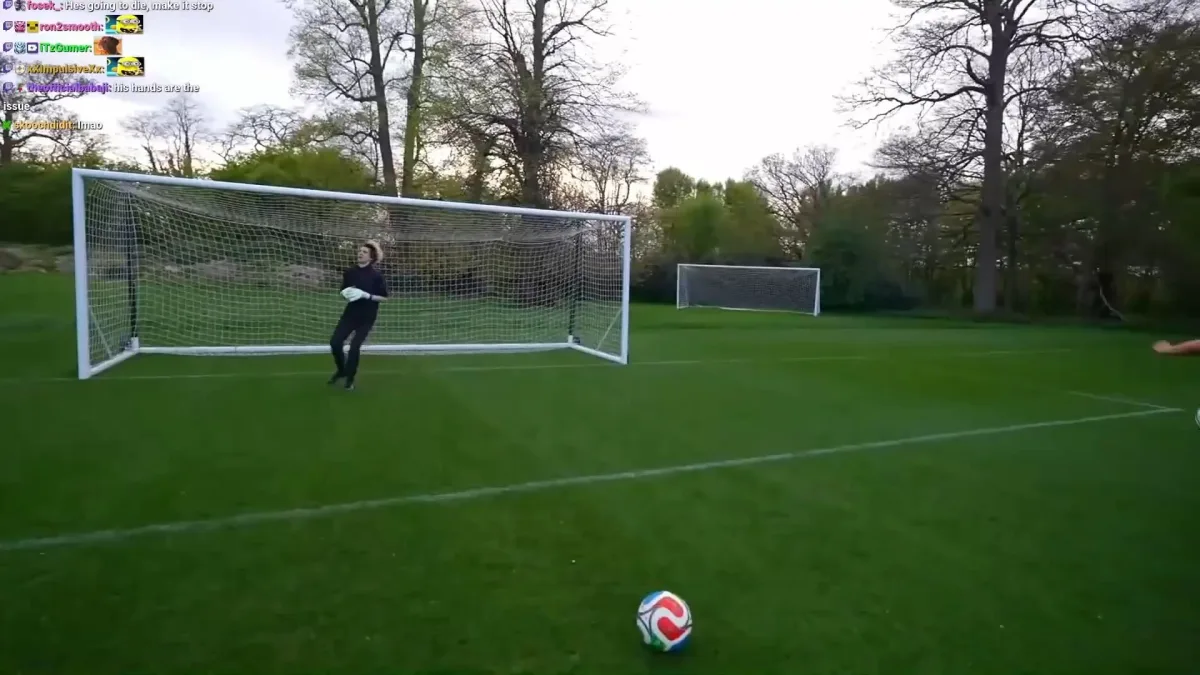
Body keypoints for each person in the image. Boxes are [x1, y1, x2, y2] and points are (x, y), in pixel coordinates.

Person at [329, 241, 388, 390]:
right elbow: (344, 291)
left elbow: (384, 297)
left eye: (364, 252)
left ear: (371, 257)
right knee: (335, 342)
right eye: (359, 251)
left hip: (367, 316)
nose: (360, 253)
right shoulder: (350, 272)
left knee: (354, 347)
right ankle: (342, 370)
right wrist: (345, 293)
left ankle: (350, 378)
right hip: (350, 314)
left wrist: (366, 295)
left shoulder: (376, 276)